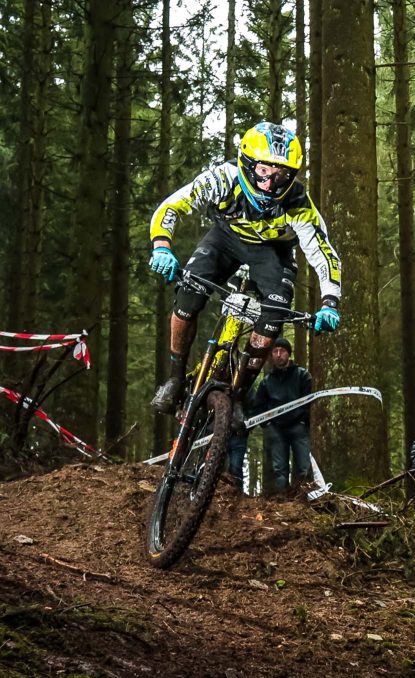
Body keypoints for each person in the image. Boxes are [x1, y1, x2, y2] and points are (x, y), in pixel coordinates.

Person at [147, 121, 341, 423]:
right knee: (188, 297)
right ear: (249, 163)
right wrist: (162, 246)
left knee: (272, 319)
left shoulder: (298, 204)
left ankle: (238, 394)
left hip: (273, 253)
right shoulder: (223, 178)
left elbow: (323, 252)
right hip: (225, 238)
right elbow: (172, 207)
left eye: (281, 175)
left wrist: (330, 302)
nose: (269, 183)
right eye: (264, 170)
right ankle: (174, 378)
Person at [249, 338, 313, 493]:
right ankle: (283, 501)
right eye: (275, 351)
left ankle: (307, 497)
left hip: (298, 427)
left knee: (304, 465)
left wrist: (304, 420)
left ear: (288, 354)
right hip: (276, 430)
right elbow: (258, 407)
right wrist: (268, 425)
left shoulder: (302, 375)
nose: (279, 355)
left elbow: (311, 400)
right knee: (280, 470)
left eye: (282, 351)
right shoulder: (266, 382)